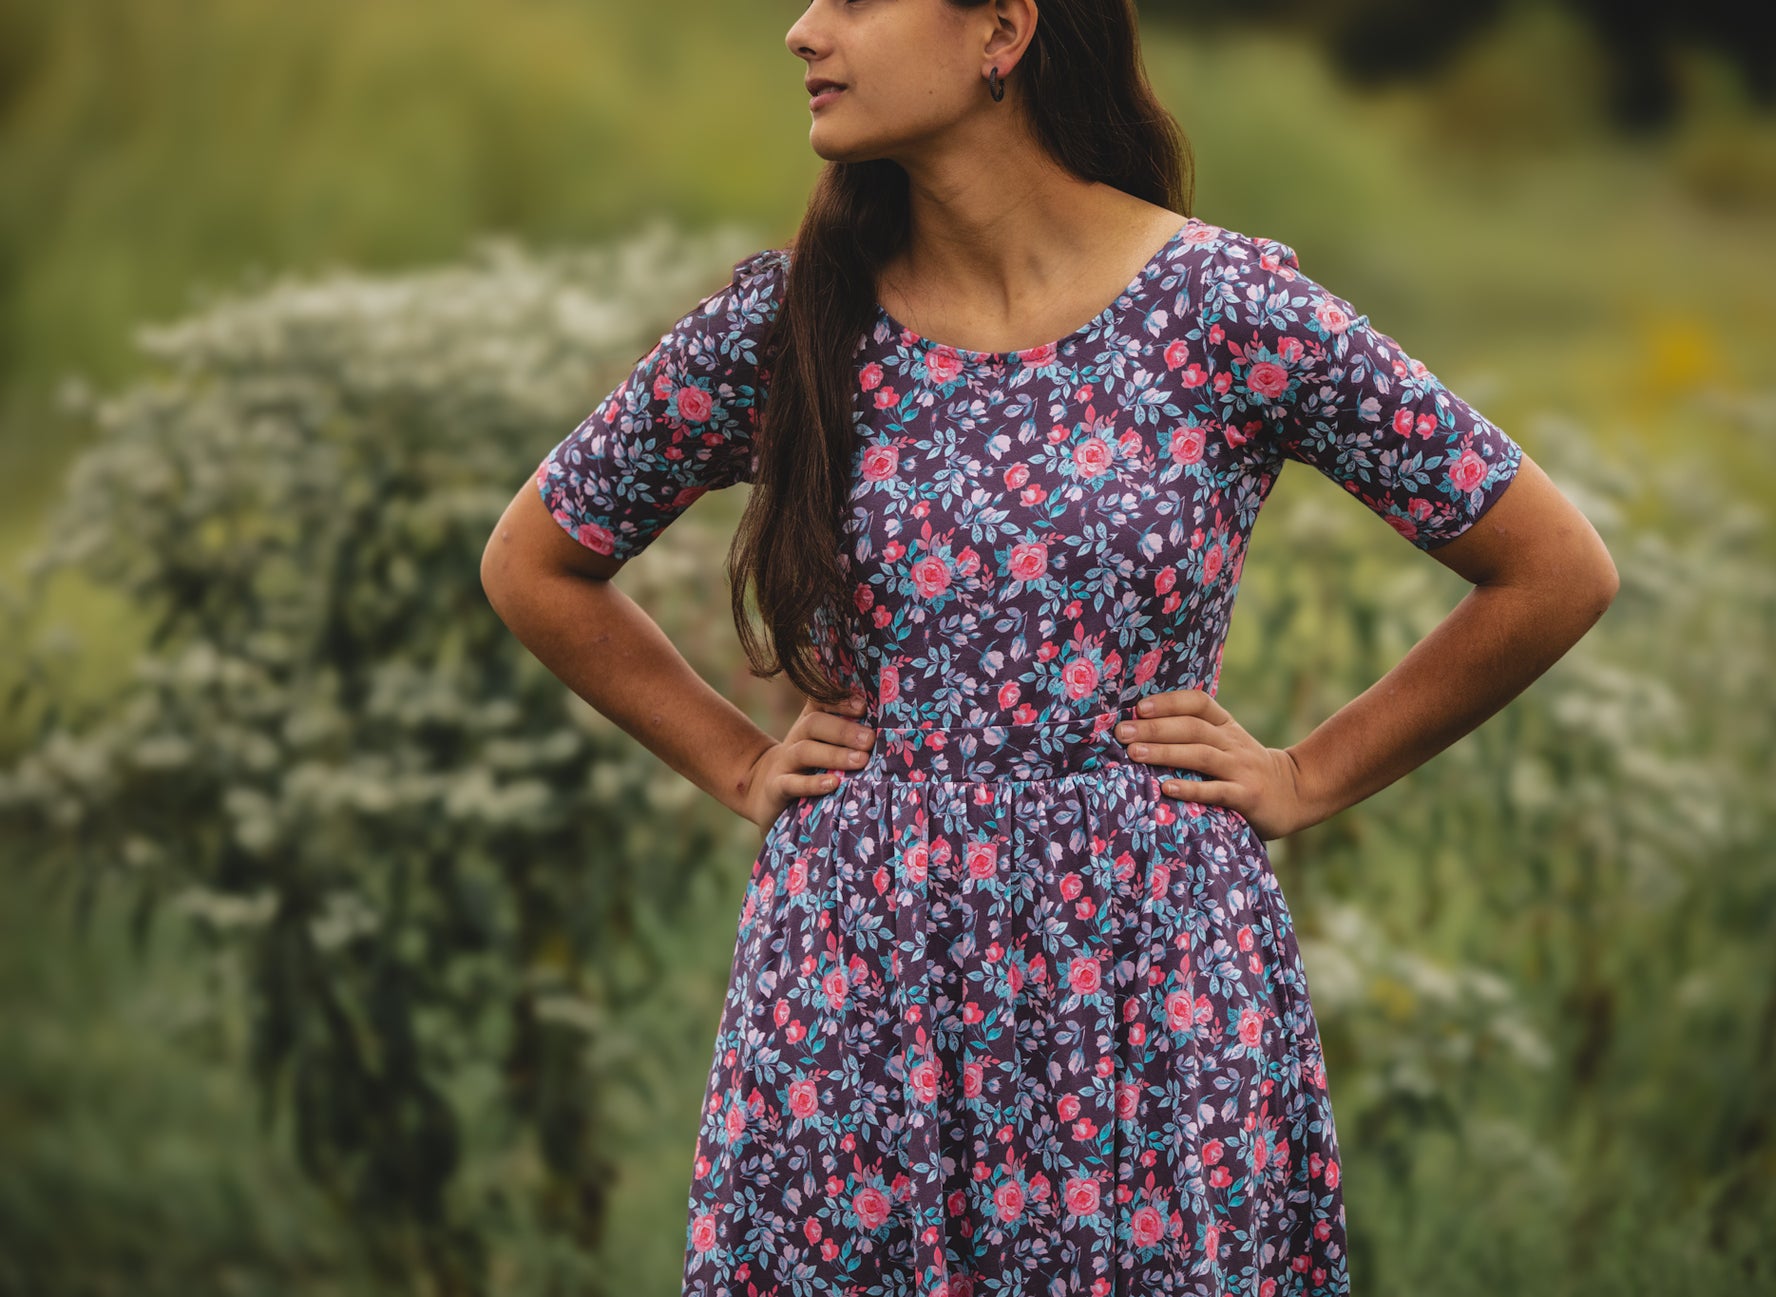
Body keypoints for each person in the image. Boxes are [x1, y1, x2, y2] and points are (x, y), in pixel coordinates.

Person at [480, 0, 1618, 1291]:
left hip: (1143, 992)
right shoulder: (790, 327)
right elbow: (534, 561)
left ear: (1002, 30)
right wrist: (738, 766)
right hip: (856, 994)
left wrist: (1309, 774)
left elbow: (1550, 569)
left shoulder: (1226, 311)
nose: (801, 31)